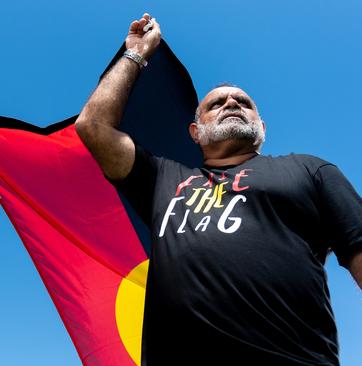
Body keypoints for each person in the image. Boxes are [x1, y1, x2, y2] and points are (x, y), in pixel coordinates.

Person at [75, 12, 362, 366]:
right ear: (195, 132)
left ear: (261, 127)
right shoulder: (162, 179)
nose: (232, 104)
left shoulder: (310, 169)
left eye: (244, 103)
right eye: (217, 103)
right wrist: (135, 52)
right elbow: (93, 127)